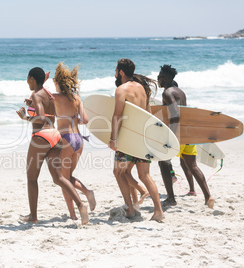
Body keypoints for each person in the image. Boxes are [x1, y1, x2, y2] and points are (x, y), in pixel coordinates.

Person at [17, 67, 89, 225]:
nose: (26, 81)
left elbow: (41, 118)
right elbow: (47, 113)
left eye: (28, 79)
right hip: (55, 136)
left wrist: (25, 117)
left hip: (41, 136)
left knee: (31, 178)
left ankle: (33, 217)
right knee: (59, 177)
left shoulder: (36, 94)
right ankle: (81, 205)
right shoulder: (49, 95)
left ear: (33, 79)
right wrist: (32, 105)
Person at [108, 58, 164, 222]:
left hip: (128, 138)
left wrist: (113, 139)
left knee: (118, 172)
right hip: (143, 136)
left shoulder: (121, 89)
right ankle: (158, 211)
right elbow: (147, 113)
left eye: (116, 70)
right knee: (145, 175)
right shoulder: (142, 89)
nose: (115, 73)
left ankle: (130, 209)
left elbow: (117, 115)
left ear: (121, 72)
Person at [157, 64, 215, 208]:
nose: (158, 80)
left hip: (178, 134)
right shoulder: (180, 92)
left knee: (163, 162)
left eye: (159, 77)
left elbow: (175, 115)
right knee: (192, 165)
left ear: (166, 78)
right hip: (188, 134)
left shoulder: (167, 92)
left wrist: (172, 136)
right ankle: (208, 197)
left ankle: (171, 198)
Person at [51, 62, 96, 220]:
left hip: (65, 140)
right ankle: (86, 194)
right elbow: (85, 120)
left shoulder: (55, 97)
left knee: (63, 180)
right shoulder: (77, 98)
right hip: (78, 140)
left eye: (54, 82)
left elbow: (40, 95)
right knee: (68, 177)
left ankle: (75, 211)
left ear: (58, 83)